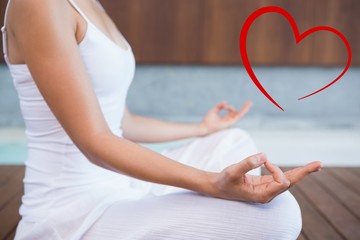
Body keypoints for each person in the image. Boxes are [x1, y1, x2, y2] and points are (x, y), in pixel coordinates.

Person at [1, 0, 322, 239]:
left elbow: (121, 122)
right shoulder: (39, 5)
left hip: (121, 182)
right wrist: (212, 183)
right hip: (73, 213)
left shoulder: (90, 4)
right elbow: (95, 140)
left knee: (231, 139)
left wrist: (201, 129)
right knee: (279, 218)